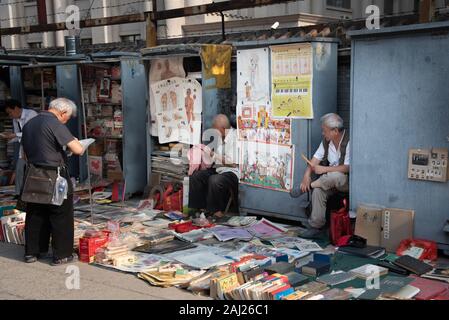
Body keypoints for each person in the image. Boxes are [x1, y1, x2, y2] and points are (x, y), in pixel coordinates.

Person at [21, 98, 84, 265]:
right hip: (55, 175)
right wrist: (77, 142)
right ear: (62, 112)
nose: (66, 120)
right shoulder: (55, 124)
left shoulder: (29, 124)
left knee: (35, 213)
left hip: (34, 173)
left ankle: (32, 252)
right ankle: (62, 254)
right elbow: (78, 149)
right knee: (60, 214)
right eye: (67, 117)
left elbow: (23, 155)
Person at [299, 113, 350, 238]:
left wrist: (324, 169)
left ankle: (311, 185)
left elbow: (348, 167)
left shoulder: (349, 141)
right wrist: (307, 175)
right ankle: (316, 226)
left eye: (325, 131)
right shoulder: (327, 142)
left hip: (345, 182)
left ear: (335, 131)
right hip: (327, 182)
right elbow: (315, 160)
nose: (323, 133)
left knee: (337, 176)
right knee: (318, 190)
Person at [189, 114, 239, 219]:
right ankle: (198, 210)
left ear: (222, 128)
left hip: (233, 172)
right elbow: (217, 159)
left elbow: (233, 163)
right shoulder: (221, 136)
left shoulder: (236, 138)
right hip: (220, 169)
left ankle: (216, 212)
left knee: (215, 180)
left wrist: (212, 154)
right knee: (197, 176)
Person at [0, 99, 38, 197]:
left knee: (34, 172)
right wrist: (8, 138)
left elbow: (30, 133)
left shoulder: (31, 114)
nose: (10, 115)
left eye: (10, 112)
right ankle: (18, 194)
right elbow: (18, 136)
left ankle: (32, 194)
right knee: (20, 169)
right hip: (24, 149)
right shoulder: (15, 120)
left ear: (16, 108)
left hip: (35, 148)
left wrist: (12, 135)